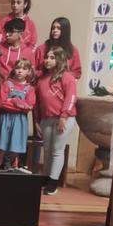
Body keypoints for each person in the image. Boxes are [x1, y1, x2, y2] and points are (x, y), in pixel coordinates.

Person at [36, 47, 76, 196]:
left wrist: (63, 117)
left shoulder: (67, 77)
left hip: (63, 119)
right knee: (47, 150)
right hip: (47, 119)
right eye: (46, 57)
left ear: (59, 59)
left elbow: (71, 97)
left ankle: (53, 182)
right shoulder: (42, 79)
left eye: (52, 58)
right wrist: (37, 121)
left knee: (57, 150)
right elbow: (39, 102)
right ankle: (45, 179)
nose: (47, 60)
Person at [0, 59, 36, 171]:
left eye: (24, 69)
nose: (20, 71)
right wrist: (21, 105)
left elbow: (30, 106)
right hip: (5, 117)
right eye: (18, 68)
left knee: (15, 146)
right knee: (2, 146)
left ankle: (8, 165)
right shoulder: (7, 84)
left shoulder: (30, 89)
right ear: (14, 69)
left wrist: (14, 101)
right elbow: (2, 103)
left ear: (29, 72)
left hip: (20, 121)